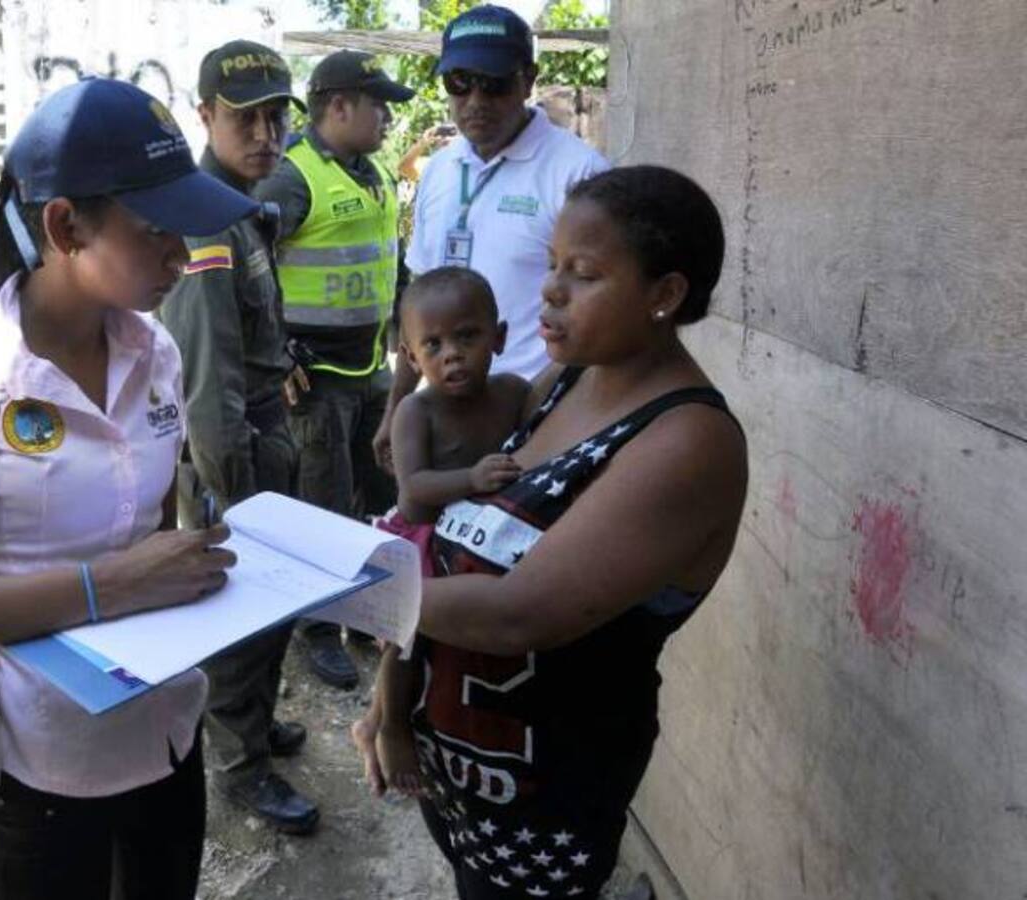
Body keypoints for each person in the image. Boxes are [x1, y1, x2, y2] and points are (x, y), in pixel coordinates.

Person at [0, 77, 253, 899]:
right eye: (158, 232)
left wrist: (191, 571)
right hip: (41, 760)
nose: (183, 257)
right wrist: (109, 587)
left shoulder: (155, 351)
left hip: (168, 729)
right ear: (65, 225)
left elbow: (151, 536)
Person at [354, 166, 749, 899]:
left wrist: (344, 589)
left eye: (585, 273)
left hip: (543, 797)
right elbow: (456, 538)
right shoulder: (564, 383)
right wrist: (390, 706)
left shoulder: (686, 441)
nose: (551, 291)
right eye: (552, 265)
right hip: (457, 763)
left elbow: (518, 615)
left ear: (665, 295)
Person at [156, 40, 318, 836]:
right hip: (235, 453)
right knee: (240, 618)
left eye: (275, 116)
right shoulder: (202, 224)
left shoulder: (235, 205)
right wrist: (233, 502)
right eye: (242, 118)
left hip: (267, 434)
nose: (264, 134)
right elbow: (207, 379)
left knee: (272, 609)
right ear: (205, 116)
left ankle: (257, 727)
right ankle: (238, 764)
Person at [374, 4, 609, 469]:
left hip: (542, 424)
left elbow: (602, 316)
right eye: (459, 81)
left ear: (528, 80)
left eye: (494, 81)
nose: (475, 99)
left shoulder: (579, 174)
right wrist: (397, 404)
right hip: (450, 426)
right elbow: (418, 304)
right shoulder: (440, 169)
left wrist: (557, 423)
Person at [254, 50, 415, 691]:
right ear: (339, 106)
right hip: (315, 380)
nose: (385, 119)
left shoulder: (371, 173)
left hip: (371, 368)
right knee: (319, 507)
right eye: (377, 105)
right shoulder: (291, 179)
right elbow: (249, 269)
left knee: (376, 497)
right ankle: (316, 630)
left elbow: (387, 265)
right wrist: (278, 354)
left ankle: (366, 616)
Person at [373, 265, 530, 794]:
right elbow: (414, 487)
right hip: (424, 537)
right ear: (412, 356)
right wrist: (472, 477)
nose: (452, 354)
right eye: (433, 344)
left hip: (486, 539)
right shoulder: (416, 412)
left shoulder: (513, 393)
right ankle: (390, 725)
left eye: (468, 336)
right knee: (406, 639)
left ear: (500, 337)